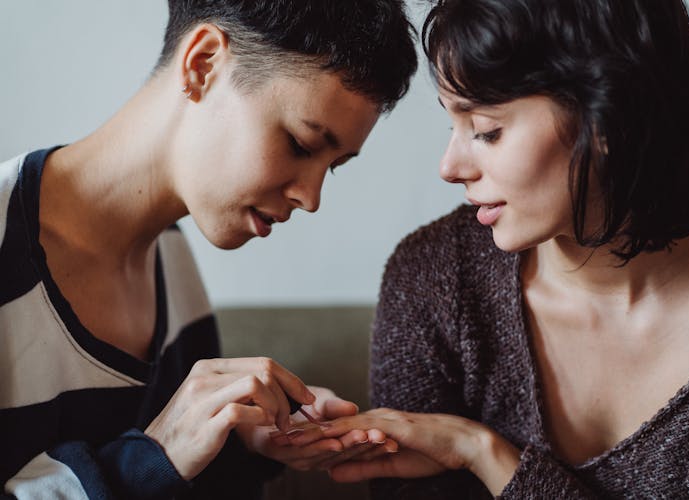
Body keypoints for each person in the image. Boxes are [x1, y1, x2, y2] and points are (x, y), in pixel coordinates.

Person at [292, 0, 689, 497]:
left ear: (608, 117)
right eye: (454, 125)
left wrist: (484, 454)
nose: (450, 166)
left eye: (487, 131)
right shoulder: (438, 277)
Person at [0, 0, 416, 498]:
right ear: (203, 64)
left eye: (334, 166)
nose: (311, 197)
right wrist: (153, 457)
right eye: (301, 145)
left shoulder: (172, 269)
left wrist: (238, 439)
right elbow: (148, 464)